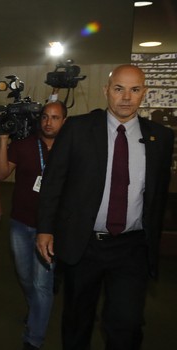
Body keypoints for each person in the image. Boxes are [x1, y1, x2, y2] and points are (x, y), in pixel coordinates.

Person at [36, 64, 175, 350]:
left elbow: (158, 196)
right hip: (84, 244)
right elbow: (53, 182)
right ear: (106, 91)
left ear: (144, 93)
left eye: (135, 89)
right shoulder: (77, 128)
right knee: (77, 321)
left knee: (127, 324)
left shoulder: (160, 138)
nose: (126, 97)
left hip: (132, 247)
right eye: (119, 88)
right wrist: (45, 229)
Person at [0, 101, 67, 350]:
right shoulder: (23, 145)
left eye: (55, 118)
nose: (49, 122)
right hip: (20, 222)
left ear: (64, 122)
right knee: (26, 277)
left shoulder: (69, 148)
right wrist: (4, 141)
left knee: (42, 283)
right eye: (45, 117)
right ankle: (36, 309)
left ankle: (34, 338)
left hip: (51, 227)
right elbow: (1, 174)